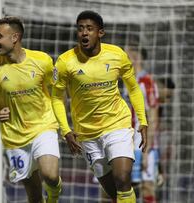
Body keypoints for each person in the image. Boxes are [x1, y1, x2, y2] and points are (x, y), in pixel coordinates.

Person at [51, 10, 148, 203]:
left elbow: (134, 89)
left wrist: (143, 121)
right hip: (87, 134)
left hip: (117, 125)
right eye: (80, 29)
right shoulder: (64, 62)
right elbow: (56, 98)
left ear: (100, 33)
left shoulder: (117, 55)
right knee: (114, 194)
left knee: (122, 179)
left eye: (89, 29)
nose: (84, 33)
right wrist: (66, 130)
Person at [0, 17, 61, 203]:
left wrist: (64, 124)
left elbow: (57, 92)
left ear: (15, 37)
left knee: (50, 175)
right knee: (33, 195)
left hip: (43, 126)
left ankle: (54, 194)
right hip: (14, 136)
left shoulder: (42, 60)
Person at [125, 47, 161, 203]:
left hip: (142, 143)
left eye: (126, 55)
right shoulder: (122, 81)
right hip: (124, 141)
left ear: (135, 58)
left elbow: (153, 117)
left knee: (147, 186)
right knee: (120, 186)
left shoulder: (147, 82)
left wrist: (147, 150)